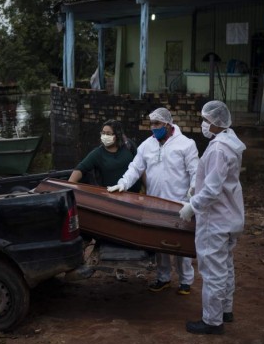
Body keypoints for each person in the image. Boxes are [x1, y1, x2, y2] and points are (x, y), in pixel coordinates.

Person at [107, 107, 198, 295]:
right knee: (160, 243)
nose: (153, 128)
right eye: (152, 124)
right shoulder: (147, 145)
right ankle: (163, 277)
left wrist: (192, 197)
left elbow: (195, 173)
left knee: (181, 244)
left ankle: (185, 280)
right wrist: (122, 183)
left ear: (167, 124)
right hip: (155, 203)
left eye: (157, 124)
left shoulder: (186, 144)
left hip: (179, 203)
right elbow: (135, 168)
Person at [179, 100, 246, 335]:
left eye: (206, 120)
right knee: (225, 266)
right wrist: (195, 188)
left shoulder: (218, 149)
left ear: (217, 123)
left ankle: (212, 321)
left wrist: (192, 206)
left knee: (212, 271)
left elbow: (213, 189)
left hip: (215, 219)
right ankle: (225, 310)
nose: (203, 124)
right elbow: (218, 181)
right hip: (230, 215)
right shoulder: (229, 142)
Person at [69, 119, 140, 281]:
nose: (105, 136)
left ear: (117, 135)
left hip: (133, 199)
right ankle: (115, 265)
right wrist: (69, 187)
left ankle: (133, 262)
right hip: (112, 200)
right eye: (103, 133)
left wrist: (147, 190)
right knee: (112, 233)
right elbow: (80, 169)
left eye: (109, 133)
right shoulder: (98, 153)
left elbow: (141, 167)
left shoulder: (129, 148)